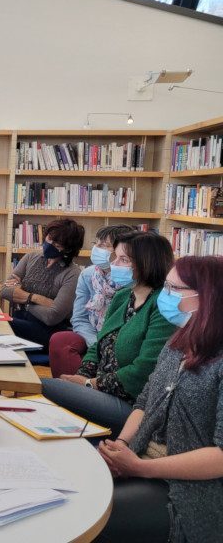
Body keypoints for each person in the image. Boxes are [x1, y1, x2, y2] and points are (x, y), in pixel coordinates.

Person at [96, 255, 223, 543]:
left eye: (173, 289)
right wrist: (122, 446)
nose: (164, 295)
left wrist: (141, 467)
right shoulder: (177, 343)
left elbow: (221, 456)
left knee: (92, 518)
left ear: (209, 298)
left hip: (189, 491)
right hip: (140, 461)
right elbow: (144, 403)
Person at [41, 230, 176, 437]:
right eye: (115, 257)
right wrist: (82, 376)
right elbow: (98, 347)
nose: (114, 264)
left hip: (132, 405)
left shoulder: (161, 306)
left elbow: (144, 371)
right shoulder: (123, 296)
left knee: (42, 388)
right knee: (59, 390)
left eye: (123, 259)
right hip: (101, 389)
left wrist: (89, 384)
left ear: (146, 263)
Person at [49, 225, 137, 377]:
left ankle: (90, 389)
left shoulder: (130, 280)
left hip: (121, 341)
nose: (96, 249)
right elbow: (79, 317)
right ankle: (74, 390)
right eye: (95, 244)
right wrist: (96, 344)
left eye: (104, 245)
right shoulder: (88, 275)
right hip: (93, 334)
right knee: (61, 340)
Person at [0, 218, 85, 347]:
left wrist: (26, 301)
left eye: (57, 245)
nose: (50, 244)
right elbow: (5, 290)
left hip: (48, 332)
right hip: (21, 318)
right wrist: (37, 299)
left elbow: (52, 316)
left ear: (67, 249)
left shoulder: (72, 274)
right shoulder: (31, 257)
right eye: (49, 239)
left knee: (1, 326)